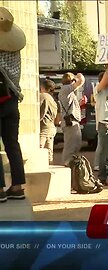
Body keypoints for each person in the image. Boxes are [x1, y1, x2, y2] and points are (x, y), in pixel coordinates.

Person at [0, 7, 28, 201]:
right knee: (12, 144)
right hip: (12, 101)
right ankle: (17, 187)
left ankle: (0, 190)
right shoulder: (14, 52)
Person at [58, 72, 85, 166]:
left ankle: (71, 166)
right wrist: (78, 75)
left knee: (76, 146)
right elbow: (81, 80)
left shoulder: (68, 92)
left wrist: (79, 104)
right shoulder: (66, 88)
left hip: (73, 121)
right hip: (70, 122)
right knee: (70, 147)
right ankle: (66, 165)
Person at [39, 79, 58, 164]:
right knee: (49, 154)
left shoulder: (43, 96)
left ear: (42, 87)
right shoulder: (53, 100)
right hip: (51, 127)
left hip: (44, 128)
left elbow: (40, 113)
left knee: (40, 150)